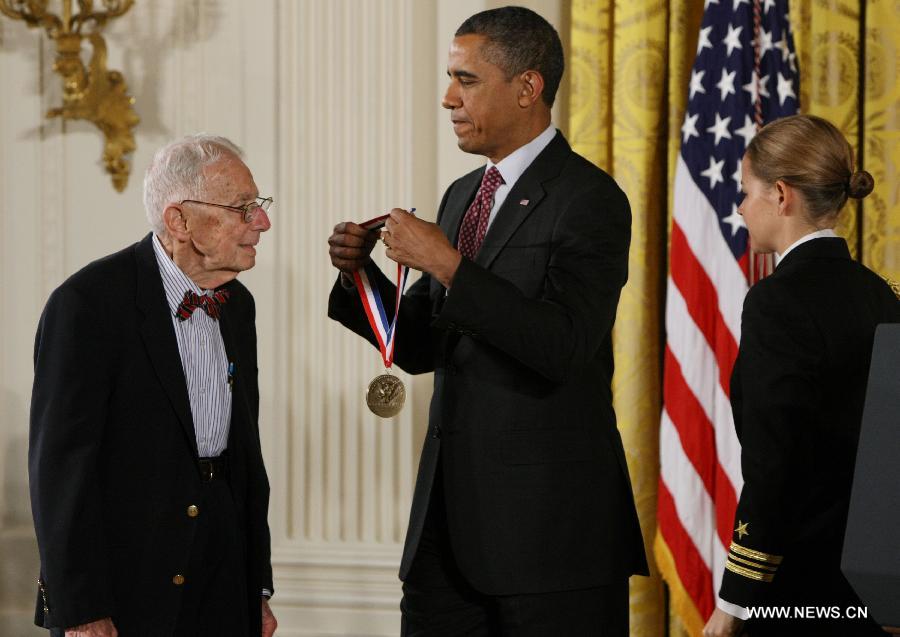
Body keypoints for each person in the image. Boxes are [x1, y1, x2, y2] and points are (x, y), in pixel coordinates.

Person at [328, 7, 647, 635]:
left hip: (550, 546)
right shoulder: (460, 195)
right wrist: (358, 273)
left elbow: (564, 345)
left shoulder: (591, 199)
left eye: (467, 80)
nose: (448, 98)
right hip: (445, 537)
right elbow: (421, 344)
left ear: (527, 88)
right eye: (451, 79)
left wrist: (447, 264)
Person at [29, 135, 278, 637]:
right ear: (178, 221)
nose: (262, 222)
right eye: (242, 209)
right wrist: (80, 609)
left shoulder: (239, 305)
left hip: (223, 581)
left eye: (258, 206)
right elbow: (60, 471)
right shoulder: (87, 304)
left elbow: (246, 461)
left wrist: (256, 586)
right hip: (125, 588)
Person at [703, 114, 900, 637]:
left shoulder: (776, 303)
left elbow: (776, 466)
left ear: (782, 195)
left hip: (800, 588)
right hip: (879, 584)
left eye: (746, 192)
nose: (741, 208)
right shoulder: (885, 293)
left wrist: (734, 602)